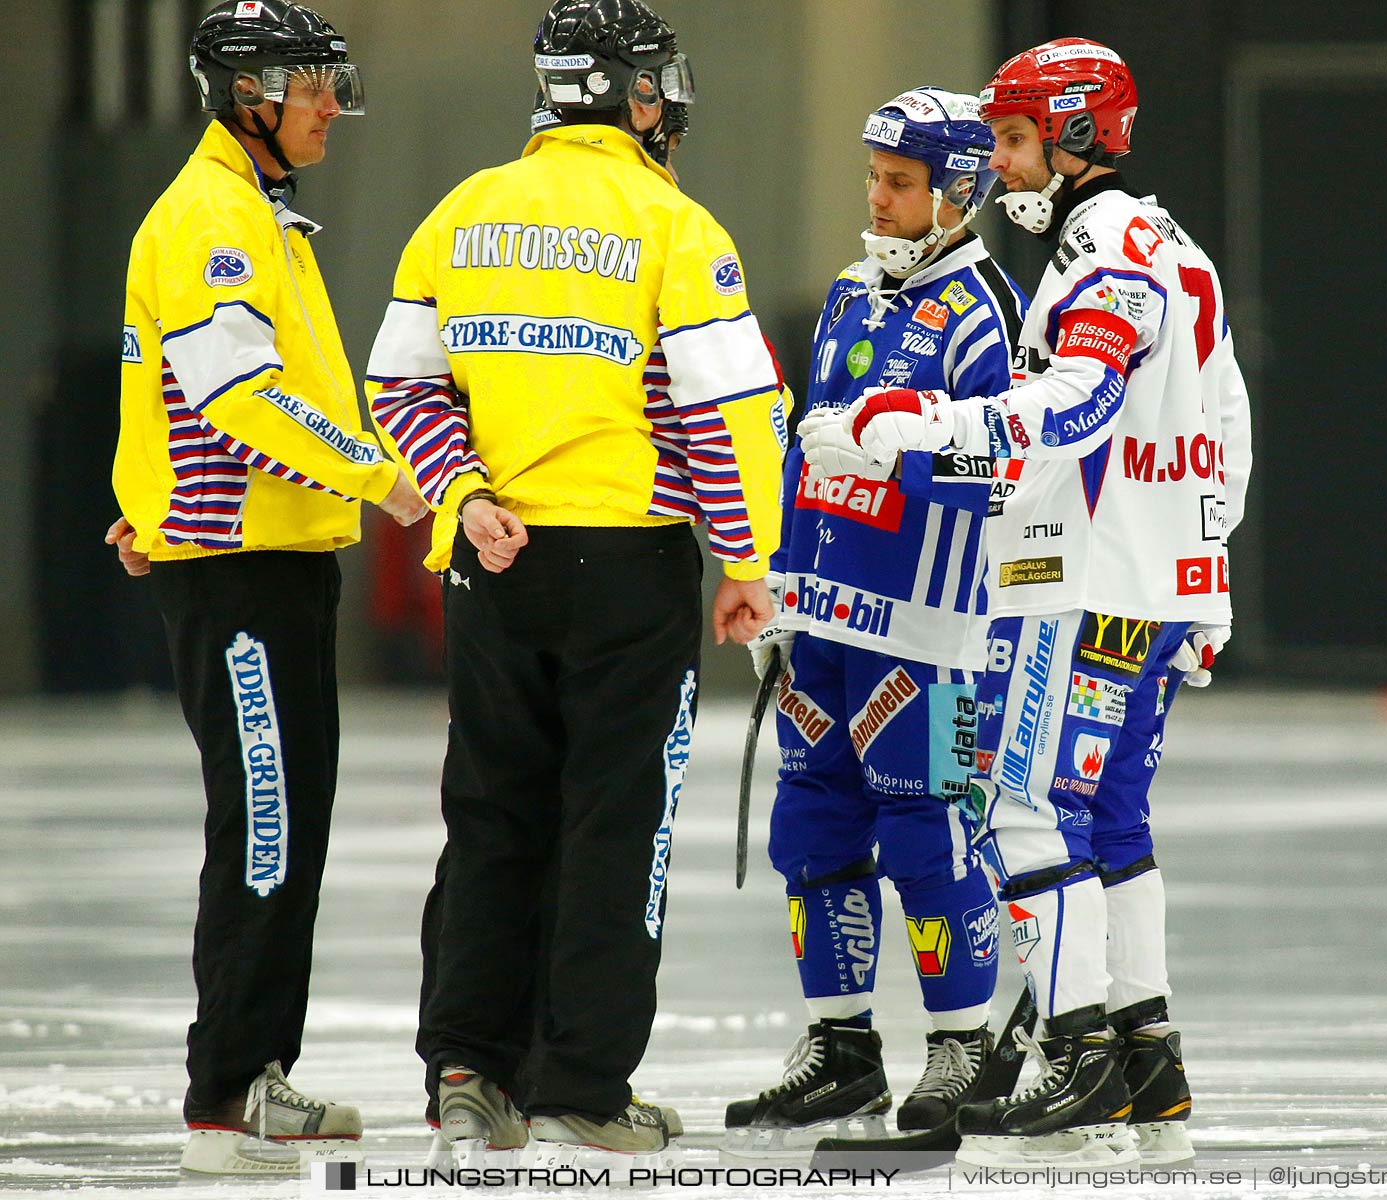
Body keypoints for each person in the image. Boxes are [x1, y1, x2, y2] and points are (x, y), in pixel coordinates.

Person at [800, 37, 1252, 1168]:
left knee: (1026, 810)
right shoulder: (1174, 244)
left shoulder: (1101, 248)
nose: (1002, 166)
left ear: (1081, 134)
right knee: (1113, 821)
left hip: (1083, 583)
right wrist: (1205, 569)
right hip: (1153, 581)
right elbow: (1229, 428)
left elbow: (1078, 404)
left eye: (1014, 139)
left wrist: (917, 426)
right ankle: (1147, 1056)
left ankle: (1079, 1048)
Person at [364, 0, 784, 1163]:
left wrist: (461, 501)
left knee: (491, 814)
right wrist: (746, 564)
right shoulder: (674, 224)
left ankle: (466, 1070)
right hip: (627, 568)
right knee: (614, 820)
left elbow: (398, 390)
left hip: (493, 566)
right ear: (636, 96)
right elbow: (732, 413)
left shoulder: (462, 211)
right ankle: (583, 1087)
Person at [104, 0, 426, 1175]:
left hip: (263, 564)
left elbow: (171, 391)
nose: (333, 106)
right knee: (266, 829)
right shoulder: (214, 220)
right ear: (253, 95)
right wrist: (386, 483)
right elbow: (239, 394)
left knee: (285, 825)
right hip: (243, 573)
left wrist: (146, 499)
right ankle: (228, 1097)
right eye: (315, 87)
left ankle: (254, 1077)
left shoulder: (251, 213)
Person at [724, 87, 1026, 1153]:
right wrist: (775, 582)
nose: (880, 197)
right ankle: (842, 1051)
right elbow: (803, 454)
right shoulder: (853, 294)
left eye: (900, 181)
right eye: (874, 177)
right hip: (824, 622)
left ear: (958, 189)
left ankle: (964, 1044)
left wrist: (910, 454)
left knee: (931, 831)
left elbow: (1016, 476)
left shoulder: (990, 313)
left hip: (933, 634)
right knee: (810, 825)